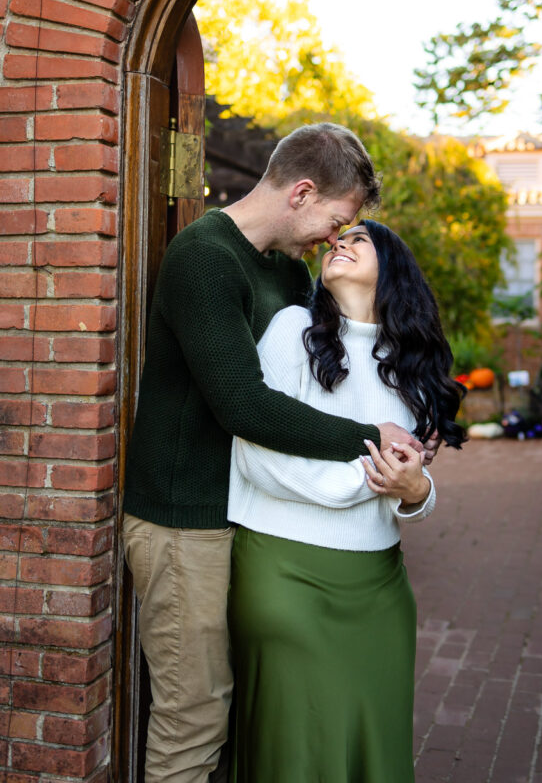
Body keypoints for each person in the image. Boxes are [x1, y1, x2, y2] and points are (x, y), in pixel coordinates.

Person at [122, 124, 423, 783]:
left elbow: (319, 374)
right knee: (195, 715)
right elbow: (245, 406)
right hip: (183, 520)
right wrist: (370, 439)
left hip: (248, 524)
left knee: (245, 718)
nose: (334, 240)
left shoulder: (285, 272)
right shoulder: (203, 256)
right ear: (304, 192)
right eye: (337, 220)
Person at [228, 219, 465, 783]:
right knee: (296, 748)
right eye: (337, 239)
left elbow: (410, 492)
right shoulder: (293, 329)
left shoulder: (410, 363)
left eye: (359, 239)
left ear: (394, 269)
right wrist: (369, 479)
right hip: (286, 575)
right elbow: (260, 458)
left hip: (381, 588)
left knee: (372, 746)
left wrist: (416, 492)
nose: (340, 243)